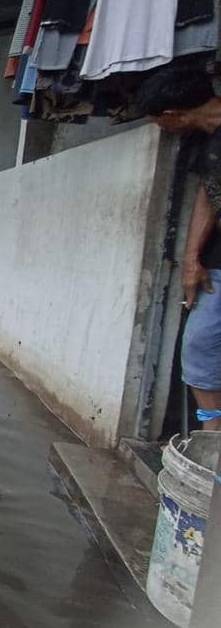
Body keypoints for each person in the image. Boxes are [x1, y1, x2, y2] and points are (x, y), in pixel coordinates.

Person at [138, 64, 221, 429]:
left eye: (158, 122)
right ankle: (212, 437)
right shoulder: (206, 141)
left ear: (171, 116)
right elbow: (208, 193)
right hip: (216, 264)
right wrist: (191, 259)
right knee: (199, 347)